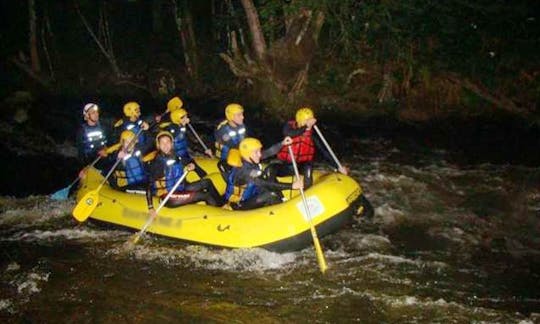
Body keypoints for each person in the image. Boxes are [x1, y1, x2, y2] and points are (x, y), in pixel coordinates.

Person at [146, 131, 223, 217]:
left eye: (168, 142)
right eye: (162, 143)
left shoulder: (176, 157)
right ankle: (219, 216)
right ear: (158, 145)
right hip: (169, 196)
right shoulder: (157, 163)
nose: (165, 145)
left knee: (207, 182)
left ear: (172, 143)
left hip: (180, 188)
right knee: (205, 195)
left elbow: (189, 162)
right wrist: (150, 207)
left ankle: (222, 206)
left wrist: (192, 166)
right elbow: (149, 185)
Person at [270, 107, 348, 188]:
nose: (310, 124)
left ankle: (307, 190)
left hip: (304, 164)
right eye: (307, 121)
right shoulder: (289, 128)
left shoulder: (311, 136)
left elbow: (324, 151)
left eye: (310, 121)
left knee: (308, 168)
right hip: (289, 164)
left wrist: (338, 166)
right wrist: (305, 126)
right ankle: (275, 190)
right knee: (271, 169)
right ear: (300, 121)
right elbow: (288, 133)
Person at [224, 137, 303, 210]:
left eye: (259, 151)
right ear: (247, 154)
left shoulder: (250, 158)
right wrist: (292, 186)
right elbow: (265, 184)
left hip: (253, 193)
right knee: (270, 194)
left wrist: (282, 143)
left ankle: (282, 199)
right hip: (240, 204)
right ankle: (283, 211)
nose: (260, 154)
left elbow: (269, 152)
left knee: (270, 170)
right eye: (256, 152)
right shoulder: (243, 172)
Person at [158, 107, 212, 178]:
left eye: (186, 116)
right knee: (197, 170)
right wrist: (182, 126)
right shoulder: (172, 128)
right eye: (183, 117)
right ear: (177, 118)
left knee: (199, 170)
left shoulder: (182, 128)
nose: (186, 119)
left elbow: (189, 143)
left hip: (185, 156)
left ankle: (205, 179)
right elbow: (174, 135)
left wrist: (203, 150)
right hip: (176, 157)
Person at [76, 103, 117, 175]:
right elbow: (81, 152)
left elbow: (111, 142)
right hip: (91, 163)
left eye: (97, 112)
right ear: (87, 115)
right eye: (93, 113)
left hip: (106, 162)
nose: (96, 114)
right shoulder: (82, 131)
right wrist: (83, 167)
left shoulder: (104, 127)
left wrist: (109, 151)